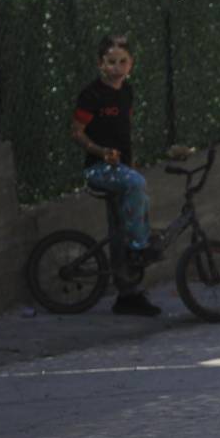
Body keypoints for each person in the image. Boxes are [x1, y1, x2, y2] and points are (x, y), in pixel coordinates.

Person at [71, 34, 162, 317]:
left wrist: (128, 163)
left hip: (121, 169)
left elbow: (126, 133)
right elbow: (76, 132)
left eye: (123, 61)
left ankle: (129, 293)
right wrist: (100, 152)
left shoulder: (127, 92)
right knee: (136, 188)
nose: (117, 67)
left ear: (131, 64)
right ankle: (139, 247)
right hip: (99, 169)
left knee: (127, 220)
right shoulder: (92, 95)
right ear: (101, 64)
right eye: (111, 62)